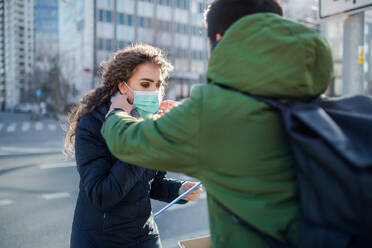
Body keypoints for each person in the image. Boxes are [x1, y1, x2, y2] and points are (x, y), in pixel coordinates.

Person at [101, 0, 334, 247]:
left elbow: (130, 142)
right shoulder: (320, 104)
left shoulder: (212, 112)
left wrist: (116, 112)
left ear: (220, 39)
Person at [64, 44, 202, 248]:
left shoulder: (148, 121)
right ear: (122, 86)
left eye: (158, 84)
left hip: (144, 235)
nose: (154, 92)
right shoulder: (92, 125)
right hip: (101, 240)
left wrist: (180, 189)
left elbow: (150, 183)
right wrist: (143, 141)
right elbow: (102, 195)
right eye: (146, 85)